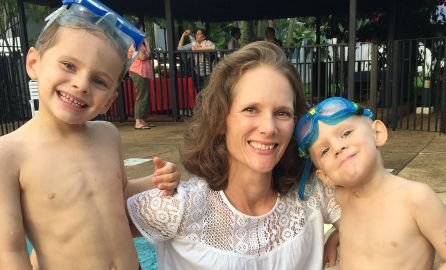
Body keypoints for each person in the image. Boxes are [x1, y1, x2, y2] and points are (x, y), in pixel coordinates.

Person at [127, 41, 341, 270]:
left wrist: (344, 234)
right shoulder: (182, 207)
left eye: (282, 113)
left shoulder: (311, 194)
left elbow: (379, 212)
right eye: (251, 109)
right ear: (220, 120)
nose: (269, 128)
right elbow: (92, 225)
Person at [0, 0, 179, 269]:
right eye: (69, 65)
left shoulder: (107, 135)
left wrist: (157, 182)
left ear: (109, 100)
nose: (81, 84)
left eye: (99, 81)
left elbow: (114, 196)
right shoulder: (10, 154)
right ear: (34, 62)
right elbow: (10, 250)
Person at [294, 97, 446, 269]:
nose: (337, 147)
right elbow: (369, 234)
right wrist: (336, 237)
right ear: (325, 176)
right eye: (324, 150)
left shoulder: (416, 199)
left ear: (377, 133)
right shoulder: (342, 199)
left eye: (346, 133)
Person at [129, 22, 154, 130]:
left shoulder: (141, 42)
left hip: (143, 71)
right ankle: (138, 121)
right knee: (141, 96)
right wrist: (148, 55)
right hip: (138, 70)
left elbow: (148, 54)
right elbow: (142, 57)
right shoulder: (135, 41)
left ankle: (142, 119)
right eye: (141, 30)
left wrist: (146, 43)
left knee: (145, 95)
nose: (143, 32)